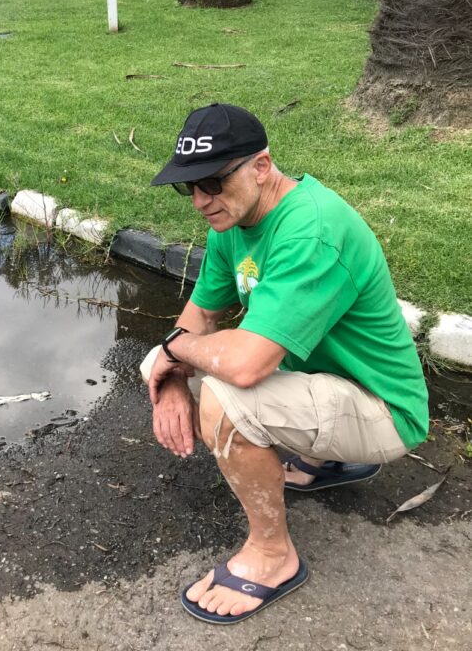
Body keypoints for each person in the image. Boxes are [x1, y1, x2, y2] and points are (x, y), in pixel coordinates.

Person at [140, 103, 428, 625]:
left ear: (261, 166)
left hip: (386, 412)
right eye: (190, 187)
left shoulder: (311, 230)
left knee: (227, 400)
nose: (201, 202)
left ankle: (274, 557)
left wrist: (175, 356)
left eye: (212, 183)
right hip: (333, 386)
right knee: (157, 363)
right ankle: (322, 459)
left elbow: (244, 366)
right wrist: (171, 377)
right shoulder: (232, 220)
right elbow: (198, 316)